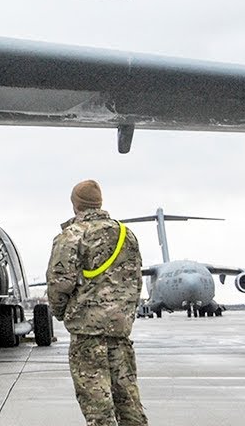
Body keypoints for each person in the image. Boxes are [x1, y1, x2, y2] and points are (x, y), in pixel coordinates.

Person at [46, 179, 148, 426]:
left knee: (97, 406)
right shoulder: (126, 235)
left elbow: (59, 283)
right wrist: (123, 315)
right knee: (128, 400)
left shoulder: (71, 236)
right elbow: (136, 280)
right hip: (120, 330)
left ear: (75, 206)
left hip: (87, 333)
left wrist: (61, 312)